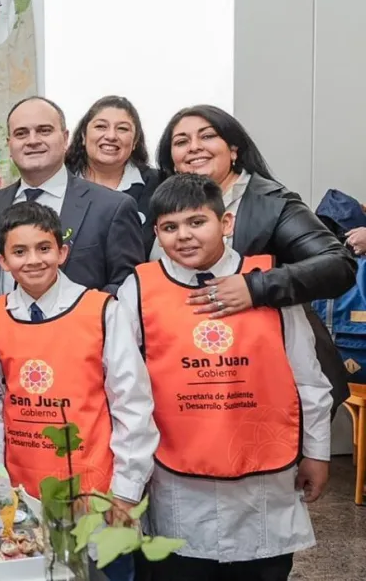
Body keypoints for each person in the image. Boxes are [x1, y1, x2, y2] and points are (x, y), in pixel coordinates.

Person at [119, 174, 332, 580]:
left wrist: (317, 451)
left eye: (197, 222)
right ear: (157, 233)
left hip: (265, 483)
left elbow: (307, 375)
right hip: (179, 482)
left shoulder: (266, 281)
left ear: (226, 222)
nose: (184, 236)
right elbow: (127, 391)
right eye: (169, 227)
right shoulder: (138, 289)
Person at [0, 202, 157, 581]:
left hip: (94, 494)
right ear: (2, 260)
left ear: (62, 252)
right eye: (19, 251)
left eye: (44, 248)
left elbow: (133, 405)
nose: (33, 260)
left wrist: (126, 491)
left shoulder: (101, 311)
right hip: (22, 492)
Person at [152, 104, 355, 411]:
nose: (194, 147)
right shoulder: (166, 205)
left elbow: (338, 265)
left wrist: (255, 287)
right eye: (181, 141)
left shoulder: (272, 202)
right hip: (195, 369)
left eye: (207, 136)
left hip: (271, 370)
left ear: (233, 149)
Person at [0, 96, 143, 297]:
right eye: (21, 133)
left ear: (65, 138)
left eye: (44, 130)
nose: (33, 140)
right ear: (10, 144)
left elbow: (129, 284)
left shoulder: (112, 207)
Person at [64, 95, 159, 223]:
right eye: (101, 127)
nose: (111, 136)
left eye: (122, 129)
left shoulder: (158, 184)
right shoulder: (61, 180)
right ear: (83, 135)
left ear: (135, 140)